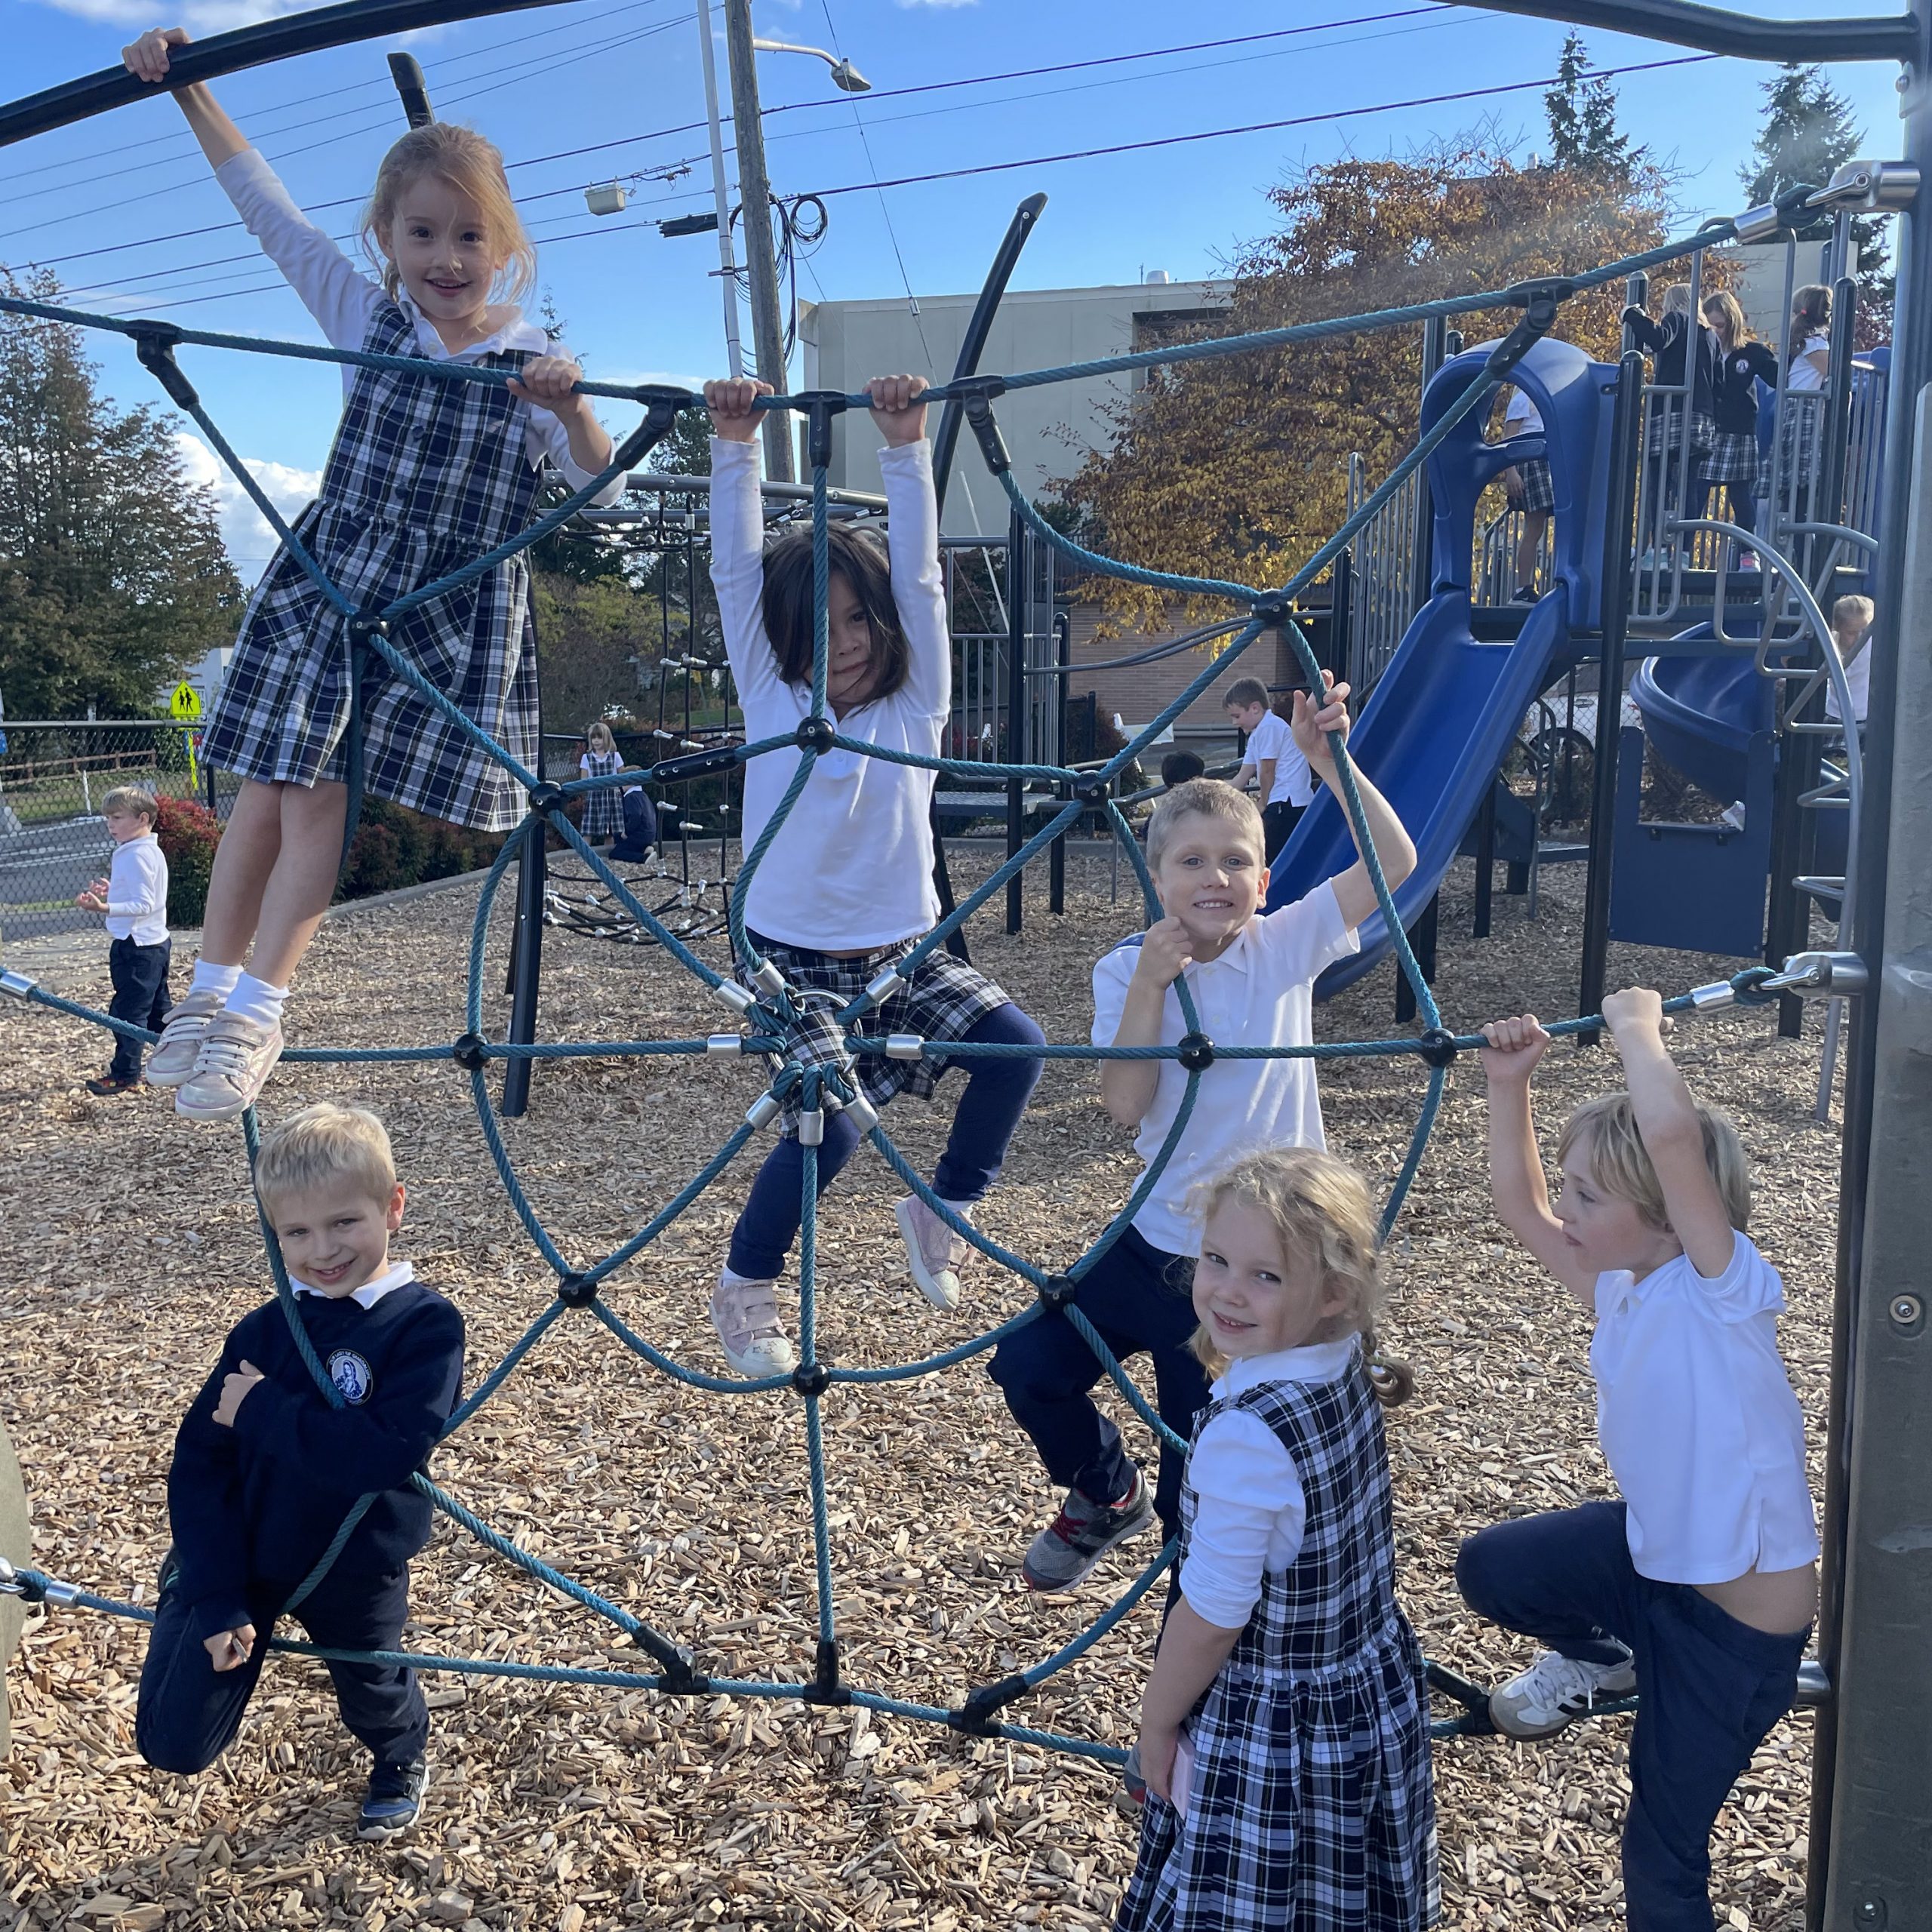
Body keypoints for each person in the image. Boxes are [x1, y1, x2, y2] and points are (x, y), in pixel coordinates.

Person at [123, 29, 622, 1124]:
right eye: (421, 233)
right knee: (265, 786)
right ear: (386, 239)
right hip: (337, 577)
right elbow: (270, 215)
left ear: (506, 246)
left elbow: (601, 488)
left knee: (317, 797)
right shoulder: (366, 317)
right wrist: (190, 90)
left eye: (469, 236)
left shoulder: (529, 364)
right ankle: (205, 996)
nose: (447, 258)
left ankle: (259, 1008)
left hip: (441, 609)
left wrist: (574, 408)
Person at [992, 713, 1418, 1592]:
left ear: (1263, 880)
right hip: (1153, 1241)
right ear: (1157, 880)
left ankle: (1193, 1648)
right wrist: (1153, 983)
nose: (1214, 877)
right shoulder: (1126, 969)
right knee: (1028, 1366)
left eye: (1233, 861)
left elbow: (1394, 860)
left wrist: (1330, 764)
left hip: (1246, 1267)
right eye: (1191, 861)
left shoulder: (1284, 944)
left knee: (1200, 1485)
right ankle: (1105, 1491)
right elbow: (1124, 1104)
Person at [703, 374, 1047, 1376]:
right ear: (782, 641)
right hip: (791, 958)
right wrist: (734, 446)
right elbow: (735, 574)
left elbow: (924, 582)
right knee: (833, 1126)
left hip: (904, 951)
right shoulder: (773, 699)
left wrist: (906, 445)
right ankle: (746, 1283)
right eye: (817, 629)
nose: (845, 645)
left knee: (1015, 1049)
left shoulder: (913, 707)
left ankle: (944, 1206)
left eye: (858, 621)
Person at [1459, 992, 1817, 1932]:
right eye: (1572, 1189)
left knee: (1660, 1856)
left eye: (1589, 1195)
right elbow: (1518, 1207)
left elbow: (1669, 1135)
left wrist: (1636, 1028)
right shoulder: (1621, 1286)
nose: (1567, 1210)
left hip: (1730, 1636)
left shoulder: (1719, 1290)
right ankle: (1607, 1658)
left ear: (1666, 1215)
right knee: (1490, 1568)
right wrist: (1507, 1083)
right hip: (1652, 1565)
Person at [1116, 1147, 1436, 1931]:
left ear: (1333, 1292)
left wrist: (1157, 1722)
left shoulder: (1248, 1435)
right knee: (1339, 1892)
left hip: (1273, 1728)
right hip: (1360, 1695)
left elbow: (1213, 1612)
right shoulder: (1341, 1362)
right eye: (1216, 1259)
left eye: (1265, 1275)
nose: (1228, 1290)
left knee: (1251, 1901)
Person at [136, 1103, 465, 1843]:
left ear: (394, 1207)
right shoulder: (265, 1329)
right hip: (249, 1555)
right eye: (296, 1232)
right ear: (273, 1233)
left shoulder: (423, 1326)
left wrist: (263, 1412)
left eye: (345, 1221)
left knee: (372, 1683)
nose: (323, 1249)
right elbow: (201, 1460)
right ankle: (189, 1588)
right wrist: (217, 1591)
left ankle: (399, 1755)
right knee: (172, 1742)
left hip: (356, 1563)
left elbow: (384, 1453)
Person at [75, 785, 173, 1097]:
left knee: (127, 1014)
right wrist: (114, 889)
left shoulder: (136, 855)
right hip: (154, 943)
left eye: (117, 818)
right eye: (108, 818)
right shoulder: (147, 850)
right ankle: (182, 1059)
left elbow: (145, 904)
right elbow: (143, 892)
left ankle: (125, 1074)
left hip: (136, 946)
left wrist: (104, 907)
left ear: (143, 818)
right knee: (159, 1011)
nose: (110, 824)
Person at [1624, 285, 1719, 543]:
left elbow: (1658, 339)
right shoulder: (1710, 335)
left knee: (1660, 480)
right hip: (1702, 415)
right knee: (1688, 483)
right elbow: (1719, 379)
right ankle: (1686, 549)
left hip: (1671, 410)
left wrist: (1632, 315)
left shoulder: (1678, 319)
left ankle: (1658, 546)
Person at [1700, 291, 1779, 547]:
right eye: (1710, 325)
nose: (1715, 331)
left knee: (1741, 496)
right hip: (1707, 430)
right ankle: (1683, 550)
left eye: (1720, 325)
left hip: (1739, 431)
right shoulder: (1701, 351)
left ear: (1732, 323)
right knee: (1697, 491)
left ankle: (1747, 552)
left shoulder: (1751, 352)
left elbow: (1779, 378)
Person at [1761, 285, 1833, 526]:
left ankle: (1794, 528)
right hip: (1806, 415)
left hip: (1799, 413)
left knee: (1799, 482)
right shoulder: (1815, 345)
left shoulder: (1807, 342)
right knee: (1804, 480)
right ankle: (1797, 533)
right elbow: (1836, 372)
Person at [1223, 675, 1310, 861]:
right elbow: (1242, 777)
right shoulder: (1257, 735)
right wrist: (1217, 795)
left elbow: (1267, 770)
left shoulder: (1269, 727)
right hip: (1280, 801)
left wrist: (1263, 802)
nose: (1234, 723)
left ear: (1255, 708)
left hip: (1287, 801)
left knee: (1270, 855)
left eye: (1236, 716)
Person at [1500, 384, 1554, 602]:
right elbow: (1509, 439)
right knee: (1533, 526)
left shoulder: (1542, 397)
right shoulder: (1523, 398)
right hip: (1530, 460)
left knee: (1537, 527)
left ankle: (1526, 587)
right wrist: (1511, 473)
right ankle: (1523, 587)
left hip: (1542, 459)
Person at [1825, 592, 1874, 731]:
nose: (1860, 638)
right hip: (1834, 713)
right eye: (1851, 633)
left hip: (1864, 715)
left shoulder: (1871, 644)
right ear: (1837, 628)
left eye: (1864, 631)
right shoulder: (1830, 642)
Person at [577, 719, 625, 844]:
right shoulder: (586, 758)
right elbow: (583, 779)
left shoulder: (615, 756)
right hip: (594, 797)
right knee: (588, 830)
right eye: (593, 738)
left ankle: (608, 853)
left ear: (607, 738)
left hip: (611, 798)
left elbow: (623, 776)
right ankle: (583, 853)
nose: (596, 741)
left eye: (599, 737)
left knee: (610, 832)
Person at [608, 771, 660, 863]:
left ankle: (643, 858)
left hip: (639, 835)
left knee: (615, 853)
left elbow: (635, 816)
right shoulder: (643, 795)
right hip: (649, 834)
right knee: (619, 838)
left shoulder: (631, 796)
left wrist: (627, 832)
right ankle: (644, 850)